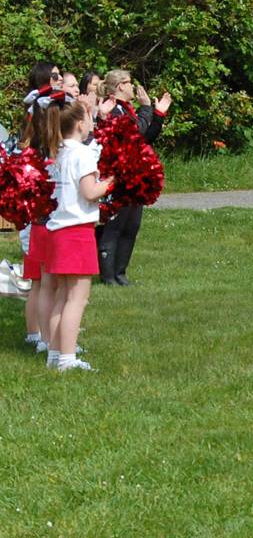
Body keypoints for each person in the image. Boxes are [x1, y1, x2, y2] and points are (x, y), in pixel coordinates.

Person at [45, 101, 113, 371]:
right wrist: (112, 181)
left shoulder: (58, 152)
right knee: (78, 297)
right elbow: (89, 192)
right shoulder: (83, 154)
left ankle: (54, 353)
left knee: (62, 295)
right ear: (80, 124)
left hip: (58, 229)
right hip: (77, 231)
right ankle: (68, 358)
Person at [95, 69, 171, 285]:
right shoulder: (113, 109)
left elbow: (144, 139)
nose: (133, 87)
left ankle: (120, 273)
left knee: (131, 226)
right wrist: (147, 108)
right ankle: (108, 276)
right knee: (115, 227)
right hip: (118, 178)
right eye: (129, 83)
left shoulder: (127, 110)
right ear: (120, 86)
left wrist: (158, 114)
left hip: (134, 177)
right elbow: (135, 132)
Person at [19, 62, 64, 353]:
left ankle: (37, 335)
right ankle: (48, 338)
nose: (61, 79)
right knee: (48, 282)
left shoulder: (29, 125)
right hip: (46, 217)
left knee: (38, 281)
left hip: (35, 216)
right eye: (57, 76)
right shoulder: (45, 132)